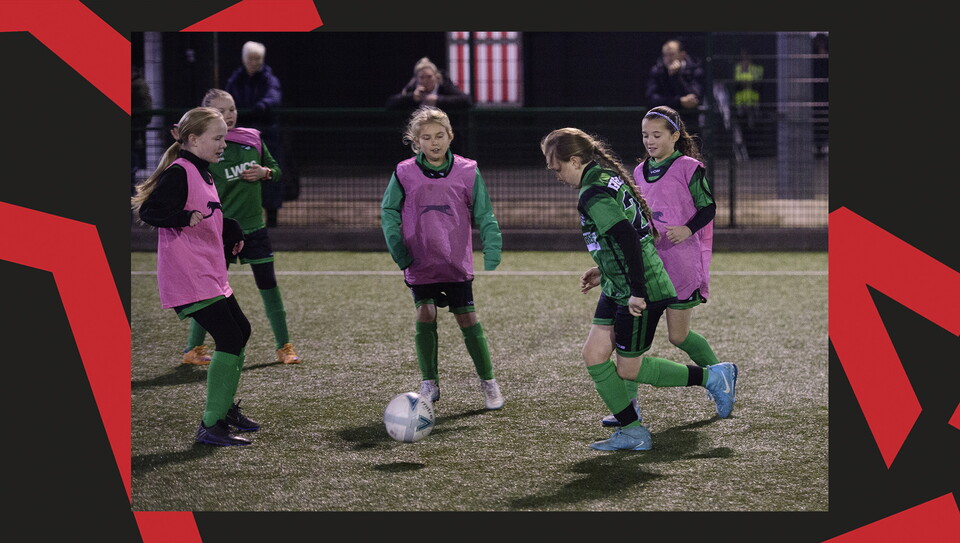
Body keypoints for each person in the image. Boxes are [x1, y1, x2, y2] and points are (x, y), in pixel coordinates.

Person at [539, 127, 737, 451]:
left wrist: (637, 291)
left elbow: (629, 240)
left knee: (629, 369)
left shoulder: (592, 192)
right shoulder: (604, 176)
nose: (556, 174)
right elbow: (627, 237)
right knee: (594, 354)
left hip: (641, 287)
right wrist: (604, 272)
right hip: (620, 283)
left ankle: (713, 377)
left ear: (574, 160)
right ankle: (632, 430)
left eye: (556, 167)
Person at [131, 107, 259, 447]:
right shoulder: (180, 171)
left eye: (224, 138)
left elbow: (209, 214)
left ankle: (224, 410)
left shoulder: (204, 172)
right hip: (188, 274)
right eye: (217, 139)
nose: (223, 145)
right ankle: (211, 425)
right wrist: (182, 216)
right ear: (192, 140)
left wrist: (230, 229)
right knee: (230, 337)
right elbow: (150, 211)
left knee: (241, 331)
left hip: (208, 271)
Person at [591, 106, 722, 428]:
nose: (649, 141)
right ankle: (629, 406)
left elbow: (709, 207)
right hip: (649, 267)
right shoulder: (637, 173)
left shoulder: (689, 168)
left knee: (679, 336)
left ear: (675, 136)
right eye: (645, 135)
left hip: (680, 264)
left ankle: (720, 377)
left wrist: (687, 229)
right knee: (630, 342)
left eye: (657, 135)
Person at [381, 105, 503, 410]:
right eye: (426, 137)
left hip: (455, 261)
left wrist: (492, 247)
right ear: (416, 141)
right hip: (420, 261)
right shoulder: (404, 172)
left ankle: (488, 382)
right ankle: (430, 383)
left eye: (439, 136)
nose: (434, 142)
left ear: (450, 136)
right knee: (426, 315)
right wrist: (399, 250)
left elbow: (483, 211)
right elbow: (389, 211)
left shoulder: (467, 170)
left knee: (467, 319)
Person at [178, 88, 300, 366]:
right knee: (212, 290)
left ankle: (285, 347)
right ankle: (193, 348)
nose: (228, 115)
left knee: (268, 284)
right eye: (221, 111)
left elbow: (277, 170)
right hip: (219, 231)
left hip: (254, 227)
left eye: (231, 109)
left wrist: (265, 173)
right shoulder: (205, 149)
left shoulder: (252, 139)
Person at [225, 40, 285, 227]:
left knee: (270, 174)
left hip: (265, 135)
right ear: (244, 59)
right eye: (251, 58)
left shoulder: (269, 79)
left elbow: (274, 97)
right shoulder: (235, 79)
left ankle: (272, 218)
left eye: (258, 59)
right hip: (242, 135)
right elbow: (227, 97)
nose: (254, 62)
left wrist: (259, 108)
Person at [645, 39, 704, 138]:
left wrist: (676, 77)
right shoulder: (657, 71)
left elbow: (693, 99)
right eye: (665, 55)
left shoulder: (695, 69)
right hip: (664, 126)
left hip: (689, 125)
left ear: (682, 55)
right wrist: (679, 101)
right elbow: (652, 100)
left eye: (671, 54)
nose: (668, 58)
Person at [385, 57, 472, 112]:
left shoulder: (444, 86)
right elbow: (390, 104)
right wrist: (412, 97)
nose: (426, 80)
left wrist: (438, 100)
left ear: (436, 77)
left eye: (429, 77)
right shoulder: (412, 88)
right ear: (417, 79)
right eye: (422, 77)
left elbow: (466, 100)